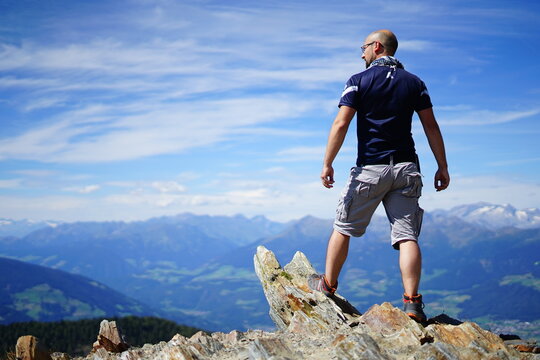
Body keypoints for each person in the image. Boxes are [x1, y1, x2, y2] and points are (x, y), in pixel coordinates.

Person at [308, 30, 450, 323]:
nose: (361, 54)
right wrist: (442, 166)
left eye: (363, 48)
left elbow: (341, 123)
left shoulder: (357, 81)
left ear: (376, 47)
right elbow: (431, 127)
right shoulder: (415, 83)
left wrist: (327, 163)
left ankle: (328, 285)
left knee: (343, 226)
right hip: (406, 168)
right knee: (407, 236)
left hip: (370, 168)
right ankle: (412, 303)